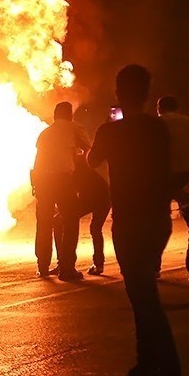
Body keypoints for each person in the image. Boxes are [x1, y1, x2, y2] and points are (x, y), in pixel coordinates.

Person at [87, 64, 181, 376]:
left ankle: (168, 369)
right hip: (158, 219)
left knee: (142, 295)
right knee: (141, 292)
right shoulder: (157, 129)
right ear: (147, 93)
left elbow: (91, 161)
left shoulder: (110, 132)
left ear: (118, 93)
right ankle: (146, 360)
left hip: (129, 221)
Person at [52, 117, 110, 276]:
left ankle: (92, 264)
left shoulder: (73, 164)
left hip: (101, 197)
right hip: (93, 197)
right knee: (63, 222)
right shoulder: (74, 162)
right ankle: (65, 262)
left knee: (92, 228)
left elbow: (70, 187)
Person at [156, 96, 189, 282]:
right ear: (176, 108)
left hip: (161, 180)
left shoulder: (155, 123)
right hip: (186, 180)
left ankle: (154, 268)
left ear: (159, 108)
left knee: (158, 224)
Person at [31, 102, 82, 281]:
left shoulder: (44, 133)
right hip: (62, 180)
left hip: (43, 181)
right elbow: (89, 150)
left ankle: (43, 266)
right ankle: (67, 267)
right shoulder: (74, 128)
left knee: (44, 223)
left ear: (54, 116)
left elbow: (37, 161)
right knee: (70, 221)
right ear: (70, 115)